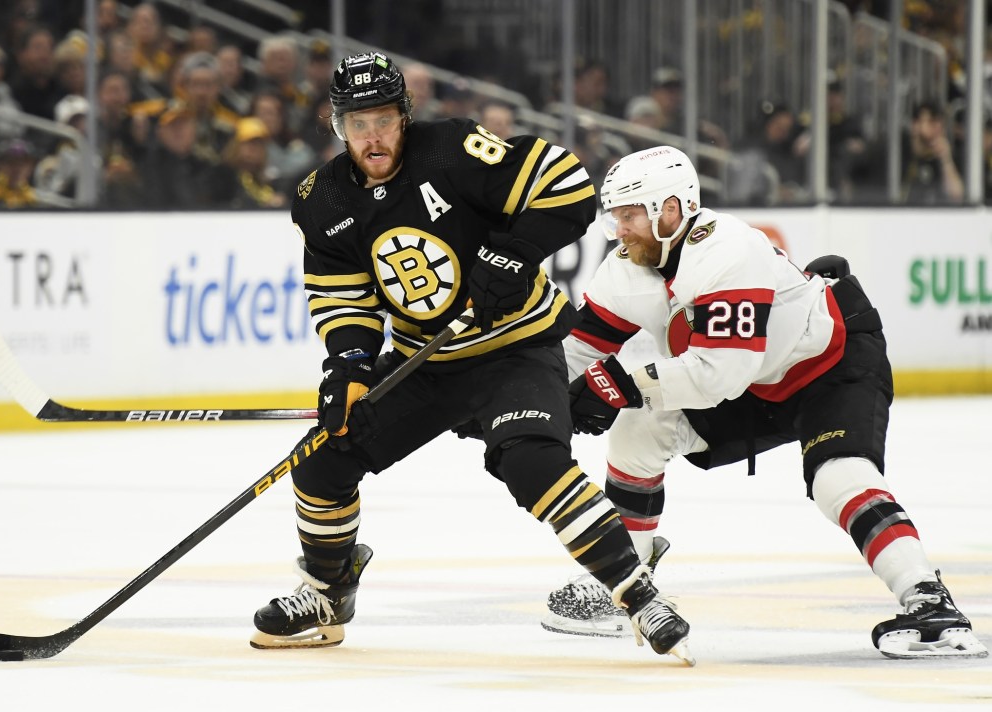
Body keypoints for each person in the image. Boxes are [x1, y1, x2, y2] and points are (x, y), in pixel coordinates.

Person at [249, 52, 694, 665]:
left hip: (517, 347)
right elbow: (342, 297)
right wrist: (347, 367)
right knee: (321, 462)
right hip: (424, 362)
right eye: (357, 123)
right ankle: (328, 593)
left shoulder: (452, 151)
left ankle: (637, 594)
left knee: (533, 464)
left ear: (404, 117)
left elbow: (567, 186)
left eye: (382, 119)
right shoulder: (322, 199)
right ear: (337, 126)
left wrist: (513, 253)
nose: (371, 136)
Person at [540, 144, 988, 660]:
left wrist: (617, 382)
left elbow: (717, 375)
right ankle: (626, 576)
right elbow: (575, 354)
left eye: (631, 214)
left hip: (830, 364)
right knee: (639, 427)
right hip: (755, 382)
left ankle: (929, 601)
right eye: (614, 215)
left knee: (838, 477)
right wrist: (518, 398)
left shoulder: (728, 249)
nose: (619, 229)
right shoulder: (625, 270)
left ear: (672, 208)